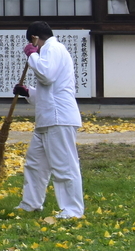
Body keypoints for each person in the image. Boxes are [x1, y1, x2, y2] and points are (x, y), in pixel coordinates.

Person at [12, 21, 84, 218]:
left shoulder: (54, 48)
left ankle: (72, 210)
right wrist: (27, 92)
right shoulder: (47, 53)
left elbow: (47, 75)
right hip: (46, 119)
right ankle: (31, 203)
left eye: (31, 43)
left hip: (59, 118)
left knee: (64, 165)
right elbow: (47, 91)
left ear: (35, 38)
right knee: (35, 164)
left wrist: (32, 54)